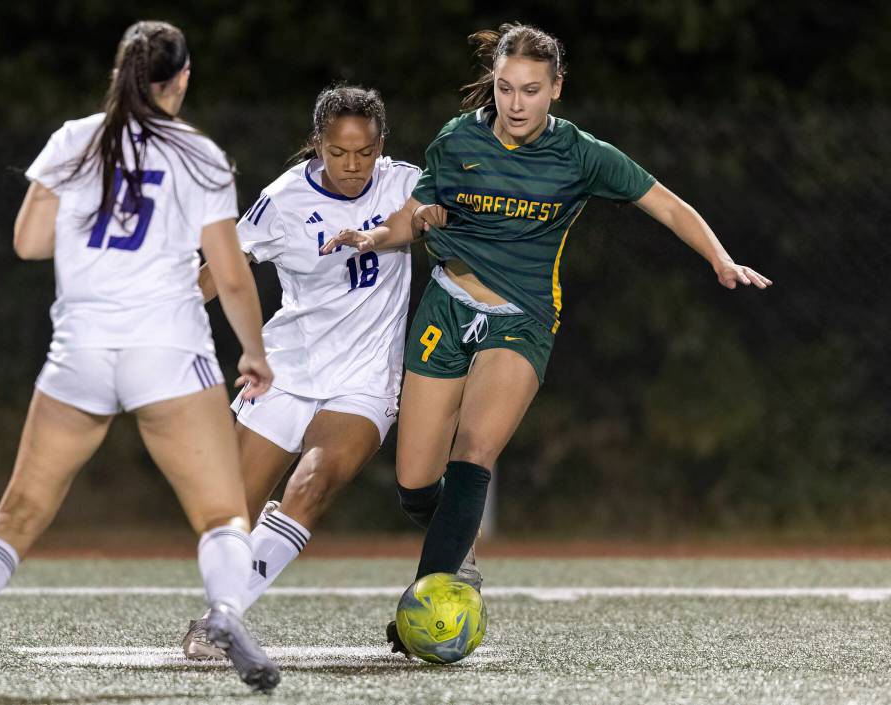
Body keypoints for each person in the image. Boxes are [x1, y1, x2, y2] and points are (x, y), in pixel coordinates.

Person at [321, 22, 772, 655]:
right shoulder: (459, 139)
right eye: (505, 88)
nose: (515, 103)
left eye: (531, 90)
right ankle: (460, 547)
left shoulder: (582, 155)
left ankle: (432, 599)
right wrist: (385, 233)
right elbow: (415, 214)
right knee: (415, 485)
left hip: (522, 316)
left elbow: (667, 204)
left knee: (473, 450)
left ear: (556, 89)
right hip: (445, 307)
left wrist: (719, 259)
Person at [0, 21, 280, 692]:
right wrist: (254, 352)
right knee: (222, 513)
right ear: (183, 78)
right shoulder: (199, 154)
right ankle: (223, 609)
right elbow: (233, 274)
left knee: (18, 511)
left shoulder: (75, 138)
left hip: (81, 351)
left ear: (120, 72)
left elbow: (28, 240)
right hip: (166, 350)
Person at [180, 85, 424, 659]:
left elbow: (442, 215)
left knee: (311, 483)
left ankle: (222, 620)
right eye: (339, 153)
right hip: (286, 371)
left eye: (364, 152)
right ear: (317, 145)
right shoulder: (283, 199)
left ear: (380, 146)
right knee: (228, 514)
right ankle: (233, 591)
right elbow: (224, 267)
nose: (353, 165)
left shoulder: (406, 182)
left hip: (364, 381)